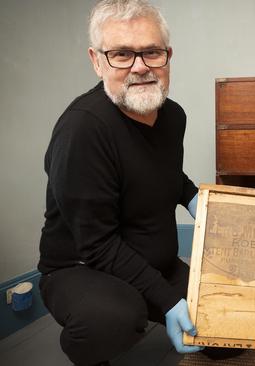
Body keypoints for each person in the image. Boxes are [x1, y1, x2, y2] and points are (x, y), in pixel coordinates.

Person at [37, 1, 234, 365]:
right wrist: (170, 300)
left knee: (231, 330)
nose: (140, 67)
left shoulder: (172, 115)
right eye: (122, 54)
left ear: (167, 56)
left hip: (155, 262)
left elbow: (166, 174)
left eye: (151, 52)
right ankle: (90, 353)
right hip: (82, 269)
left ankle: (152, 297)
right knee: (114, 320)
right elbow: (96, 244)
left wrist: (200, 203)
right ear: (97, 61)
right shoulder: (83, 129)